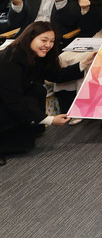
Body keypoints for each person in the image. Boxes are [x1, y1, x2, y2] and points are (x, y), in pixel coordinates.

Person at [0, 22, 95, 165]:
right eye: (43, 40)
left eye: (51, 41)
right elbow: (13, 100)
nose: (48, 45)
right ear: (30, 38)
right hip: (5, 99)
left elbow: (55, 75)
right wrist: (49, 120)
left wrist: (83, 63)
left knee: (37, 90)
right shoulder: (11, 58)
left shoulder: (37, 54)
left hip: (14, 94)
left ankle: (32, 129)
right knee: (23, 105)